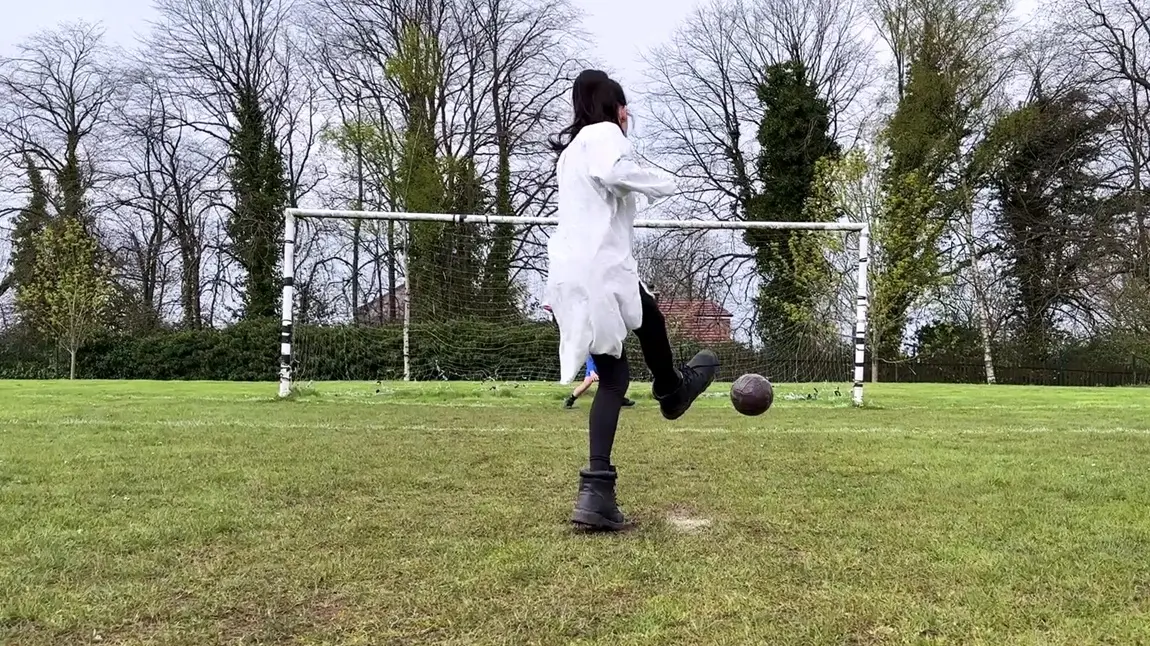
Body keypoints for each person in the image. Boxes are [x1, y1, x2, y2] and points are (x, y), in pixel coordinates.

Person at [546, 69, 719, 531]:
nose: (628, 117)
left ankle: (595, 493)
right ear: (614, 107)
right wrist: (668, 181)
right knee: (643, 328)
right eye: (626, 108)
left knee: (623, 361)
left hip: (574, 270)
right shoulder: (603, 134)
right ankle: (671, 391)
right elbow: (612, 171)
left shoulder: (570, 153)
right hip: (601, 269)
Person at [564, 355, 637, 409]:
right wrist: (592, 371)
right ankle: (570, 400)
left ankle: (619, 399)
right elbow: (589, 357)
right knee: (587, 383)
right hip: (595, 366)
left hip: (606, 365)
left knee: (618, 380)